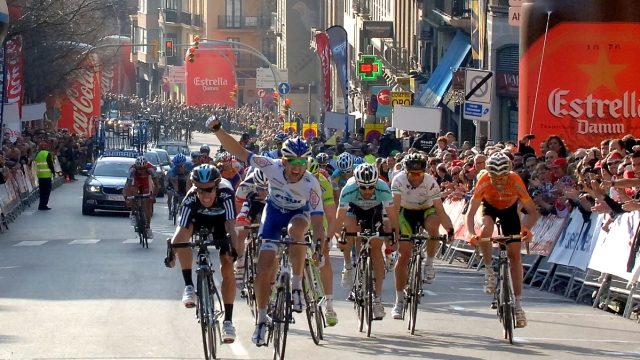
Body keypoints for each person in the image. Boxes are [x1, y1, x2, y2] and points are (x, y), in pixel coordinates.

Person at [206, 116, 325, 347]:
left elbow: (318, 222)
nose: (298, 167)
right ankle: (261, 321)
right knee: (263, 269)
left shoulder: (311, 183)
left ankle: (297, 285)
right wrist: (218, 130)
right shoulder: (270, 166)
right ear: (283, 161)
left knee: (296, 232)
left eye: (303, 162)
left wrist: (319, 244)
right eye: (293, 162)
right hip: (273, 213)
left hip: (298, 214)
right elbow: (238, 150)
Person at [167, 164, 239, 343]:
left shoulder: (226, 194)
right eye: (200, 190)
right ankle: (189, 286)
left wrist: (235, 250)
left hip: (221, 223)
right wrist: (172, 252)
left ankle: (228, 322)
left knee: (228, 265)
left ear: (216, 186)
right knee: (184, 238)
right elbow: (181, 229)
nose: (205, 195)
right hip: (198, 220)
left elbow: (231, 225)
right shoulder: (191, 198)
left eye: (208, 190)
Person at [465, 152, 539, 328]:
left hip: (509, 211)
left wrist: (526, 229)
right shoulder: (483, 180)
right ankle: (489, 271)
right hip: (489, 208)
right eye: (494, 177)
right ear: (488, 174)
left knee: (515, 256)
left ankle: (519, 305)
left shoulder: (515, 180)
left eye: (502, 177)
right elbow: (470, 213)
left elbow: (533, 212)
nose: (498, 182)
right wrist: (470, 233)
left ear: (508, 173)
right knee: (486, 228)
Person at [390, 152, 455, 319]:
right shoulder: (398, 180)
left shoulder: (430, 182)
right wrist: (394, 233)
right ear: (406, 172)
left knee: (434, 224)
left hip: (426, 210)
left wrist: (450, 230)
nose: (417, 177)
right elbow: (395, 210)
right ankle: (399, 300)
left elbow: (440, 210)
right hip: (406, 212)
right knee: (404, 255)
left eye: (420, 173)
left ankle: (430, 263)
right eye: (413, 174)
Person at [336, 163, 400, 320]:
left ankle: (377, 300)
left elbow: (392, 217)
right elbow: (339, 219)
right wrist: (339, 237)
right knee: (348, 230)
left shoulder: (383, 188)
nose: (367, 191)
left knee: (376, 248)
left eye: (370, 187)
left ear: (375, 183)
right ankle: (348, 267)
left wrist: (394, 234)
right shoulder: (348, 188)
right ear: (356, 184)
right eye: (363, 188)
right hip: (354, 210)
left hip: (374, 211)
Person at [307, 156, 339, 326]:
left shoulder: (323, 182)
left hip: (319, 220)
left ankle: (329, 305)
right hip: (299, 218)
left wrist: (328, 238)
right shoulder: (290, 180)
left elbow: (332, 216)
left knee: (324, 257)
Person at [124, 156, 161, 239]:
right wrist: (127, 197)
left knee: (147, 206)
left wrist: (153, 196)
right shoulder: (132, 170)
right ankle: (133, 213)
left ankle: (147, 227)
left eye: (143, 168)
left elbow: (157, 185)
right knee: (133, 192)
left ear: (146, 167)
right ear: (136, 167)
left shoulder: (151, 170)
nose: (141, 171)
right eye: (139, 169)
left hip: (146, 182)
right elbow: (127, 185)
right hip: (136, 181)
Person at [166, 153, 191, 219]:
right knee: (170, 194)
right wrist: (176, 190)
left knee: (183, 196)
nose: (179, 167)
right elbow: (173, 180)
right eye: (177, 166)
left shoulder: (188, 166)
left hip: (183, 181)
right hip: (173, 180)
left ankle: (182, 208)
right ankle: (170, 212)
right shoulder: (173, 170)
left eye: (181, 165)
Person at [34, 141, 55, 210]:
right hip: (47, 176)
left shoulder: (37, 154)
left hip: (40, 176)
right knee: (46, 192)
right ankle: (44, 205)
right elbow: (50, 164)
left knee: (42, 192)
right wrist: (54, 172)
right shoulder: (47, 154)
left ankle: (41, 205)